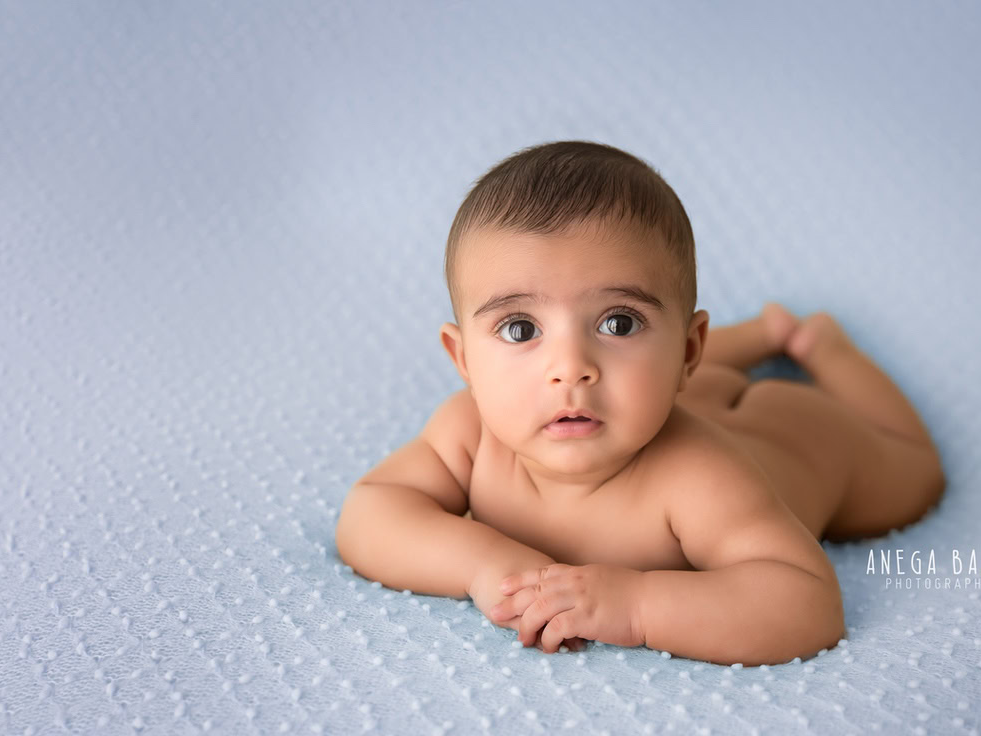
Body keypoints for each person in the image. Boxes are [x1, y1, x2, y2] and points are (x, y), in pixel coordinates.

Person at [335, 141, 944, 666]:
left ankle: (822, 345)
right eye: (521, 329)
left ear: (686, 349)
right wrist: (482, 563)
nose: (570, 367)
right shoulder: (469, 434)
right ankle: (756, 335)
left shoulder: (698, 479)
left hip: (796, 435)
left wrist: (635, 605)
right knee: (658, 383)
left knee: (915, 475)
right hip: (676, 391)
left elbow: (804, 603)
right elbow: (371, 512)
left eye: (619, 322)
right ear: (463, 358)